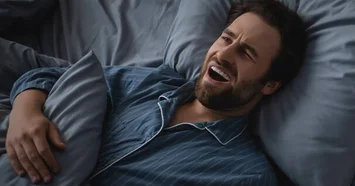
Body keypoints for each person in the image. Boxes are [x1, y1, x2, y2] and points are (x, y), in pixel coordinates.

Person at [3, 0, 306, 185]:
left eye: (247, 53)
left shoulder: (244, 174)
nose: (223, 55)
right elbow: (50, 75)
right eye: (226, 39)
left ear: (270, 84)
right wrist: (25, 111)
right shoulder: (150, 83)